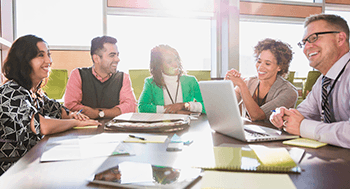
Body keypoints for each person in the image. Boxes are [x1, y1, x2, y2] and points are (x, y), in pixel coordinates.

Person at [0, 35, 100, 175]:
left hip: (32, 161)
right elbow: (41, 126)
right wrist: (74, 122)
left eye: (48, 54)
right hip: (12, 169)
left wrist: (73, 115)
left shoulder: (36, 93)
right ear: (24, 60)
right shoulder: (10, 92)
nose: (49, 61)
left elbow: (60, 111)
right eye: (41, 55)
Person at [270, 14, 350, 149]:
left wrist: (303, 127)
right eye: (304, 42)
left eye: (314, 38)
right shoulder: (323, 81)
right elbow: (303, 113)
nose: (306, 48)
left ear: (340, 38)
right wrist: (284, 116)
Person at [225, 38, 297, 122]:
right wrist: (227, 85)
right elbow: (226, 106)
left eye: (267, 63)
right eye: (259, 61)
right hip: (247, 133)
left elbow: (257, 116)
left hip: (274, 134)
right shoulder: (249, 82)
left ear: (280, 67)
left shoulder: (289, 92)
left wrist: (242, 85)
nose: (260, 67)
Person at [64, 36, 137, 119]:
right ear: (96, 59)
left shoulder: (123, 77)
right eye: (112, 55)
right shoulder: (78, 74)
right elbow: (70, 107)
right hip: (84, 129)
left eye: (117, 55)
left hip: (115, 129)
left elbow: (130, 107)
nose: (117, 59)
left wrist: (98, 113)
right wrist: (115, 111)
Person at [138, 44, 205, 114]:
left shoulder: (191, 81)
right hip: (162, 124)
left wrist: (184, 105)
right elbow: (142, 107)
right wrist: (171, 110)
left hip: (188, 123)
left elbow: (207, 106)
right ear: (159, 66)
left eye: (176, 59)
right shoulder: (150, 82)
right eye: (169, 62)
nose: (176, 64)